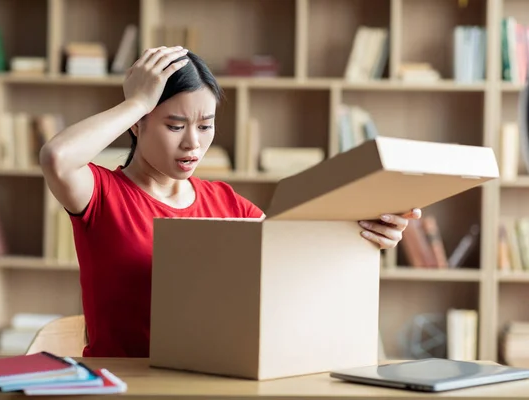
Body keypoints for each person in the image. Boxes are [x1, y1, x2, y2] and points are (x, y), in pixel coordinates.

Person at [39, 46, 422, 358]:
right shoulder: (103, 194)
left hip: (212, 383)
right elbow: (57, 157)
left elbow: (294, 262)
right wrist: (137, 101)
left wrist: (366, 233)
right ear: (137, 125)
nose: (193, 144)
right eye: (175, 126)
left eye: (205, 125)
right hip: (128, 387)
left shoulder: (226, 202)